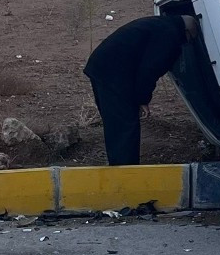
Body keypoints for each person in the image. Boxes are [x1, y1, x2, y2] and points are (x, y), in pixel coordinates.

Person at [83, 14, 198, 166]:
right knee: (125, 124)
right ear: (187, 32)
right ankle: (126, 173)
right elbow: (149, 70)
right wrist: (143, 99)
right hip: (112, 72)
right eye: (189, 40)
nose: (186, 44)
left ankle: (118, 166)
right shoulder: (170, 35)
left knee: (115, 122)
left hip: (103, 66)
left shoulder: (161, 24)